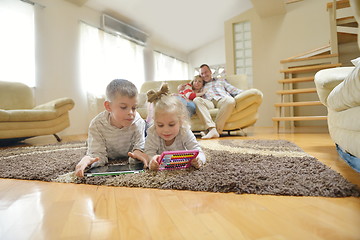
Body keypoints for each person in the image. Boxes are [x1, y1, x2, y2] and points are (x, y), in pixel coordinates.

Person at [75, 79, 148, 177]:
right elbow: (97, 155)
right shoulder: (97, 125)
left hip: (131, 149)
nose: (131, 112)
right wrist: (88, 159)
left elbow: (139, 146)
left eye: (134, 108)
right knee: (90, 149)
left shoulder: (138, 122)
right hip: (105, 151)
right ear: (108, 106)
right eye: (123, 107)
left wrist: (138, 153)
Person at [144, 83, 206, 171]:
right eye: (160, 125)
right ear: (154, 122)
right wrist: (152, 159)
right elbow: (148, 152)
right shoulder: (153, 132)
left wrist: (198, 160)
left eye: (171, 124)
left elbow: (198, 151)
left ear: (181, 121)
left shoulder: (184, 131)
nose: (166, 130)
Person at [193, 64, 243, 139]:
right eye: (202, 74)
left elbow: (234, 90)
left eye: (206, 72)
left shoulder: (221, 80)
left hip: (221, 99)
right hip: (208, 102)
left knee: (230, 100)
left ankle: (215, 130)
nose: (204, 75)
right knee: (196, 100)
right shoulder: (200, 84)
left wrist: (247, 93)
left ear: (210, 72)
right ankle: (211, 128)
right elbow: (190, 91)